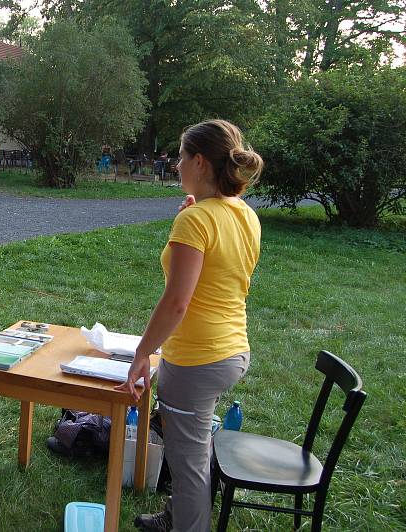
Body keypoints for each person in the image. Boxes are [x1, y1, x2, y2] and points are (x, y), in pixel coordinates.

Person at [115, 119, 264, 532]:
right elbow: (222, 275)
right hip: (233, 349)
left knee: (188, 465)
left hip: (198, 358)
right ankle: (175, 516)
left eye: (180, 157)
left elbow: (178, 301)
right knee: (191, 450)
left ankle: (186, 524)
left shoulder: (196, 221)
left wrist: (143, 351)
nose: (175, 165)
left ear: (199, 162)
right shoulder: (245, 214)